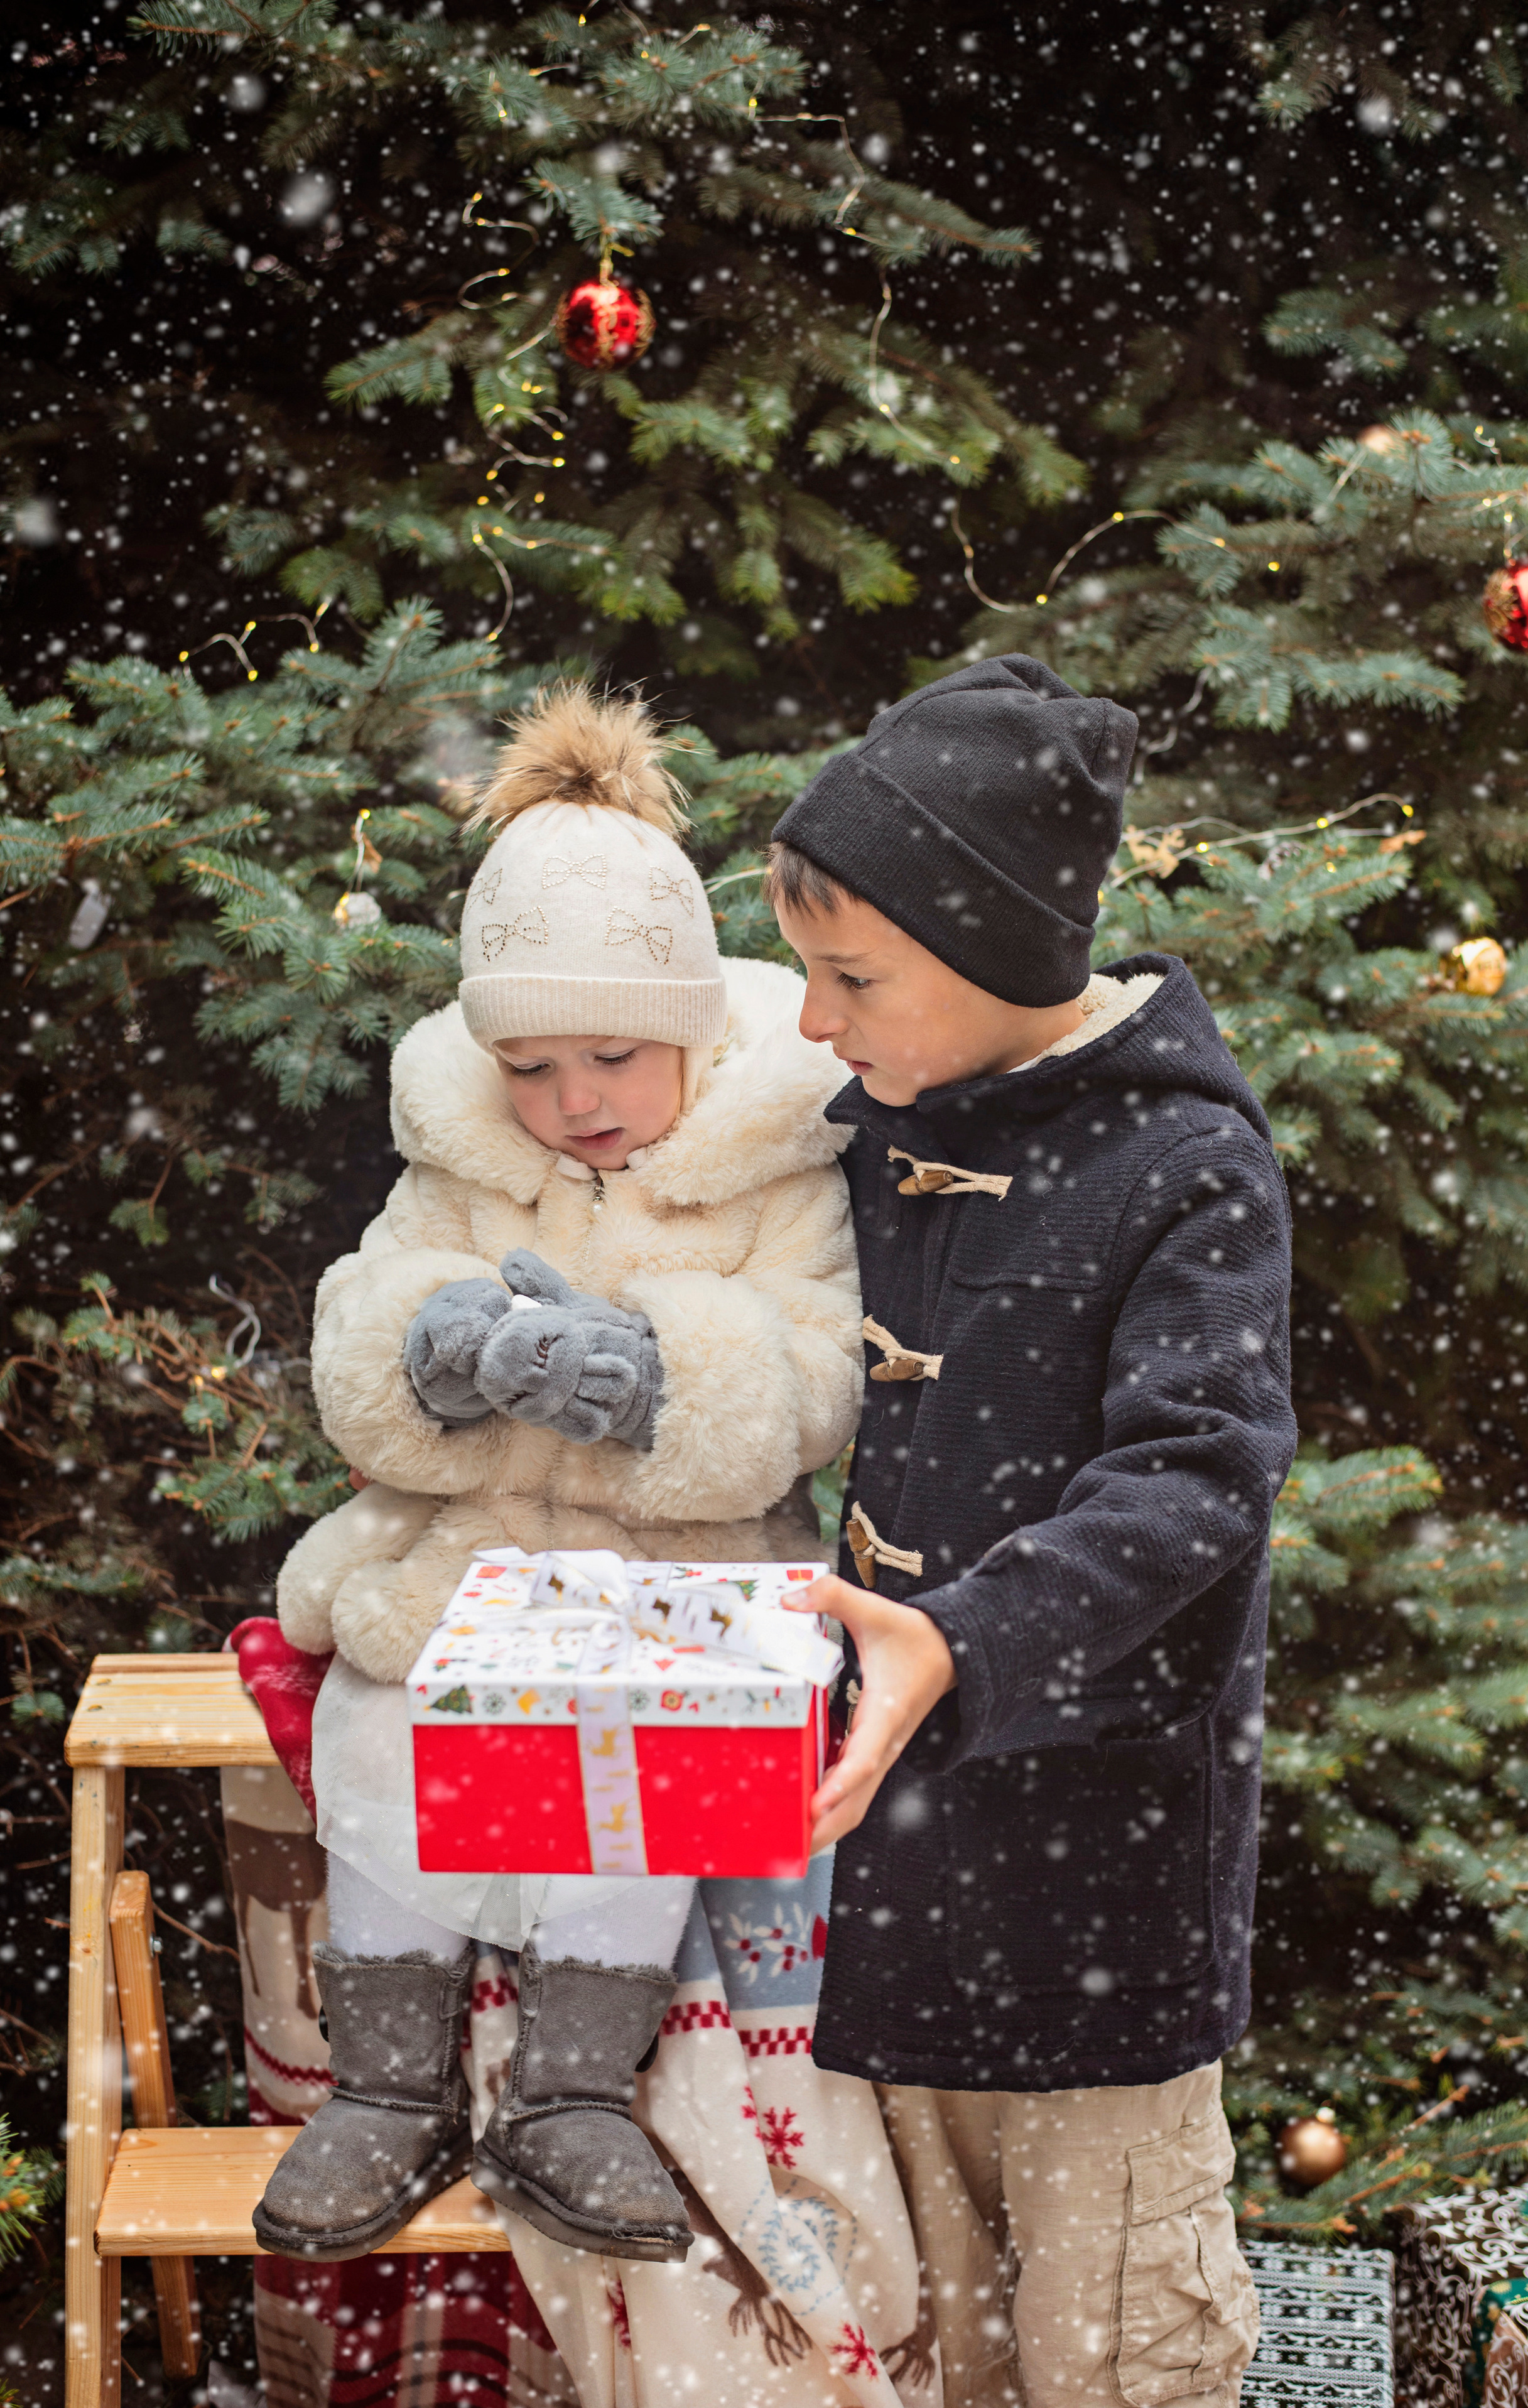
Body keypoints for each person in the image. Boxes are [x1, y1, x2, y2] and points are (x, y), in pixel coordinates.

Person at [256, 685, 864, 2272]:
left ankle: (569, 2089)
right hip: (462, 1556)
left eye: (610, 1056)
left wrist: (669, 1370)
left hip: (678, 1575)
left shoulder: (776, 1158)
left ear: (690, 1033)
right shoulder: (458, 1155)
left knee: (633, 1768)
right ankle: (386, 2086)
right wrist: (429, 1354)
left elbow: (815, 1369)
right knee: (392, 1724)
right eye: (529, 1066)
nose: (573, 1100)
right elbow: (357, 1336)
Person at [768, 654, 1298, 2406]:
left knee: (1114, 2352)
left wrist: (971, 1634)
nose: (811, 1022)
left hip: (1099, 1892)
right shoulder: (868, 1130)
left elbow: (1199, 1476)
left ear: (989, 954)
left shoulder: (1186, 1164)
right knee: (931, 2348)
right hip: (895, 1881)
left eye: (851, 978)